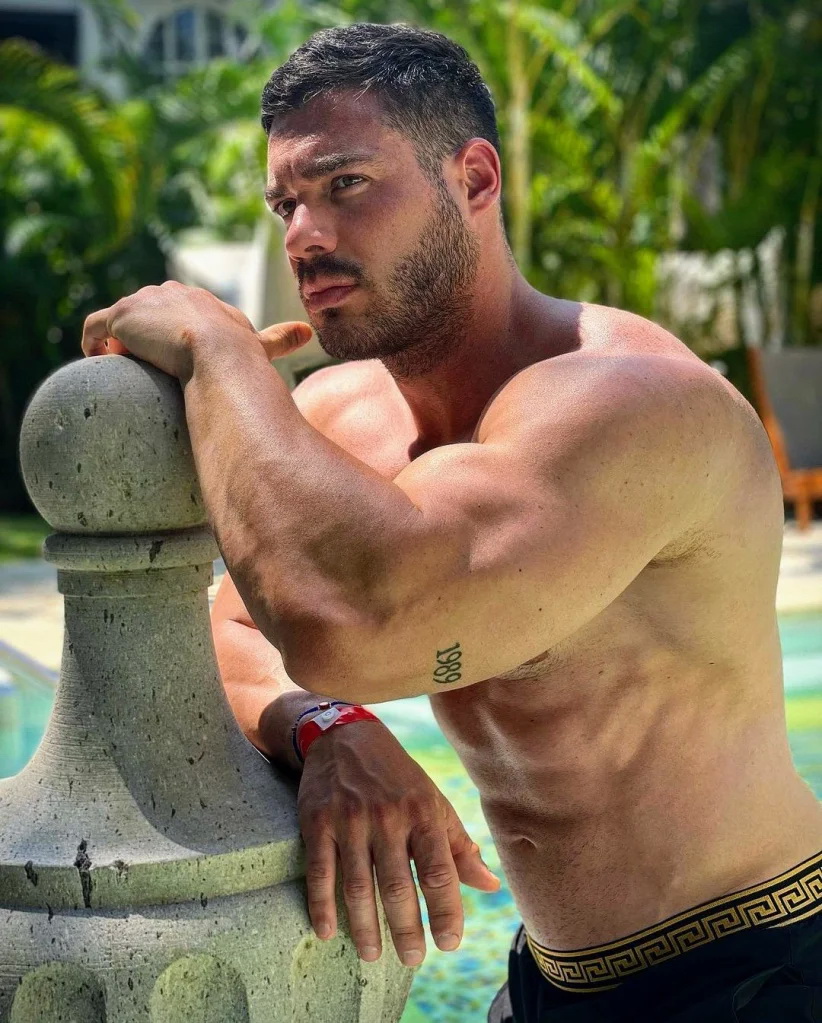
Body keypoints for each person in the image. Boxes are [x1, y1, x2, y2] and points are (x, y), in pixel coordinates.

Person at [81, 23, 822, 1023]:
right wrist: (329, 727)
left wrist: (220, 356)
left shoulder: (629, 405)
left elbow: (353, 627)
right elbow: (230, 629)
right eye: (286, 204)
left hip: (757, 966)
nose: (303, 235)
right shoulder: (344, 416)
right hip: (548, 976)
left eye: (345, 184)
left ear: (474, 179)